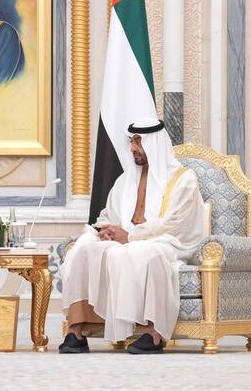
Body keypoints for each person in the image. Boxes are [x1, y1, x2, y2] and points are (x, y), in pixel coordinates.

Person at [58, 118, 206, 354]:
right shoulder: (126, 179)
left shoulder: (183, 179)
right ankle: (76, 331)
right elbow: (109, 213)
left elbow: (174, 223)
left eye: (139, 142)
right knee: (84, 249)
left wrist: (131, 236)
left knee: (147, 253)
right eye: (132, 141)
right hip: (126, 240)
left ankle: (154, 333)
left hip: (169, 242)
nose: (133, 148)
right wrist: (105, 229)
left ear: (155, 144)